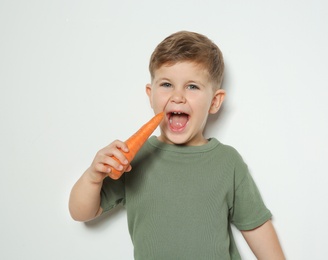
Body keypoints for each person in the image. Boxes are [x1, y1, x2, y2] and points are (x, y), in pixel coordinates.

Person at [69, 31, 285, 259]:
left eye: (192, 86)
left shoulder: (228, 162)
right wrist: (93, 176)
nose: (178, 96)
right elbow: (81, 212)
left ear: (214, 101)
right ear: (150, 95)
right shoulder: (133, 158)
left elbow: (256, 226)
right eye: (166, 84)